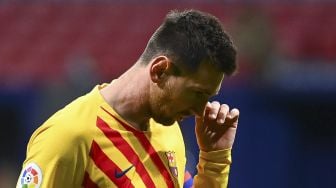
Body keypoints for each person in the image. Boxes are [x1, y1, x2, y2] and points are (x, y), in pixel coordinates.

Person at [17, 9, 239, 188]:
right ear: (160, 70)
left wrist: (214, 160)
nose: (201, 110)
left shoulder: (167, 128)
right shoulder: (68, 136)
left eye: (208, 97)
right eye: (197, 93)